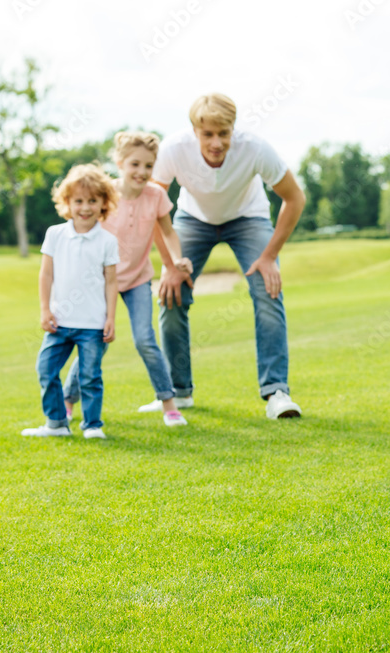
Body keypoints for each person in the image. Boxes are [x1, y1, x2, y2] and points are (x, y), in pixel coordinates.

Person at [150, 93, 307, 419]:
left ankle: (276, 391)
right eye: (208, 134)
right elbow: (152, 205)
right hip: (194, 220)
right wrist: (169, 265)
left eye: (224, 133)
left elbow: (294, 198)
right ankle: (178, 392)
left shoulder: (255, 148)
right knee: (171, 292)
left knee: (268, 290)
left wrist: (269, 256)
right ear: (194, 131)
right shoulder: (173, 150)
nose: (217, 142)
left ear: (234, 128)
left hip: (248, 218)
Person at [62, 132, 194, 427]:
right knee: (95, 342)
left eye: (149, 166)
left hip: (137, 279)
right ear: (120, 162)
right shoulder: (105, 194)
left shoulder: (156, 196)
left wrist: (176, 260)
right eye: (135, 164)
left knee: (145, 339)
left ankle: (169, 405)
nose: (142, 172)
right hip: (100, 282)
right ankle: (68, 402)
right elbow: (83, 227)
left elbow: (168, 233)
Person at [22, 164, 119, 439]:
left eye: (92, 201)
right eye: (78, 201)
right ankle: (55, 423)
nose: (85, 207)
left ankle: (92, 425)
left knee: (90, 378)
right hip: (59, 322)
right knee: (46, 369)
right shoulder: (55, 234)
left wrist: (111, 317)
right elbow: (46, 273)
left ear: (103, 203)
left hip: (92, 325)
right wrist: (44, 309)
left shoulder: (107, 241)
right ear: (67, 202)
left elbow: (112, 282)